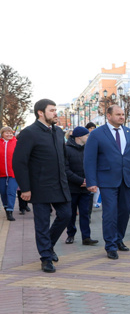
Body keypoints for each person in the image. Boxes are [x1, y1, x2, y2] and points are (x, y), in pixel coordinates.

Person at [11, 99, 72, 273]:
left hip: (60, 185)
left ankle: (48, 245)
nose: (55, 113)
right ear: (40, 112)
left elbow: (63, 159)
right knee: (42, 224)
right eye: (52, 110)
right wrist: (25, 188)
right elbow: (19, 162)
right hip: (39, 187)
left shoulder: (59, 132)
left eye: (55, 110)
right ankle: (46, 257)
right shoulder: (28, 133)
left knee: (66, 215)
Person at [84, 105, 130, 260]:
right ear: (108, 116)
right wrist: (91, 181)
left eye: (123, 114)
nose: (121, 117)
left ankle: (119, 239)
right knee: (110, 213)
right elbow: (89, 159)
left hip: (128, 179)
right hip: (107, 180)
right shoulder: (97, 134)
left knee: (125, 211)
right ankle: (110, 245)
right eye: (118, 114)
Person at [63, 126, 98, 246]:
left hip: (86, 188)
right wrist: (80, 181)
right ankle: (70, 234)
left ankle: (86, 237)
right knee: (71, 213)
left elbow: (93, 165)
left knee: (85, 213)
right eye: (87, 135)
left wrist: (90, 180)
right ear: (79, 137)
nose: (89, 137)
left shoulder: (88, 149)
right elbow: (65, 170)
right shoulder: (66, 149)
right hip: (72, 187)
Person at [0, 126, 17, 221]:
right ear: (2, 134)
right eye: (6, 132)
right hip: (1, 172)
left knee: (11, 191)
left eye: (10, 132)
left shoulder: (16, 143)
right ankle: (6, 207)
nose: (9, 134)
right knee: (3, 191)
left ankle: (10, 211)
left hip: (13, 172)